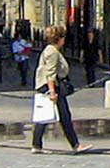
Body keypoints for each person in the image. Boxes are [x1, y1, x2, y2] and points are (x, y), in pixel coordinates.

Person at [31, 25, 82, 155]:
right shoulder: (52, 52)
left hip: (47, 85)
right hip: (52, 86)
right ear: (60, 39)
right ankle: (75, 145)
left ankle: (36, 145)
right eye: (64, 37)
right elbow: (51, 73)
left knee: (45, 116)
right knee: (64, 116)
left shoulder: (51, 50)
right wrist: (52, 91)